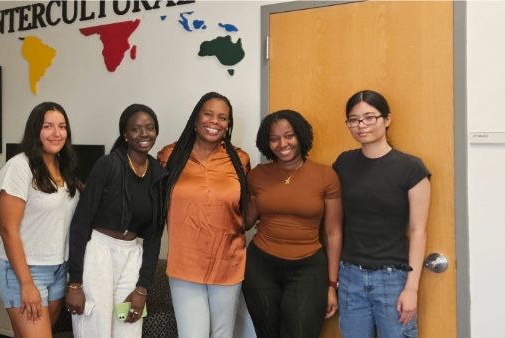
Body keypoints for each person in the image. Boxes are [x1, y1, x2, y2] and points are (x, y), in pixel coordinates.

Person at [333, 90, 431, 338]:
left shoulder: (411, 167)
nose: (361, 125)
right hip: (350, 276)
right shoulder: (343, 163)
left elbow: (418, 230)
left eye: (369, 117)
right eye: (353, 119)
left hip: (393, 278)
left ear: (387, 119)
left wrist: (412, 289)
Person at [66, 104, 167, 338]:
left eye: (149, 128)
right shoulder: (108, 165)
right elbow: (81, 223)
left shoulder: (158, 175)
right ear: (125, 134)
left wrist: (142, 289)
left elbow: (153, 237)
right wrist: (75, 283)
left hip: (131, 257)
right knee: (95, 328)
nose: (144, 134)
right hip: (98, 254)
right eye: (136, 129)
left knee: (128, 328)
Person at [242, 110, 343, 338]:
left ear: (301, 137)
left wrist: (331, 285)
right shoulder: (258, 175)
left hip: (308, 269)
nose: (282, 144)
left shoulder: (326, 175)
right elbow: (246, 222)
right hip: (261, 266)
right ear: (267, 143)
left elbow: (334, 233)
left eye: (289, 136)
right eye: (274, 138)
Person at [157, 92, 250, 338]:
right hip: (185, 262)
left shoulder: (240, 159)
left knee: (222, 334)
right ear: (196, 118)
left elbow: (248, 208)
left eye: (222, 117)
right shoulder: (169, 155)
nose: (214, 121)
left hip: (228, 261)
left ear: (228, 125)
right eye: (208, 114)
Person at [0, 102, 82, 338]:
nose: (57, 133)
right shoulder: (19, 167)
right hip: (24, 270)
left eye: (62, 126)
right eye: (48, 126)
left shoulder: (66, 167)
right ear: (35, 131)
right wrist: (26, 283)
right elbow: (7, 230)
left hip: (58, 268)